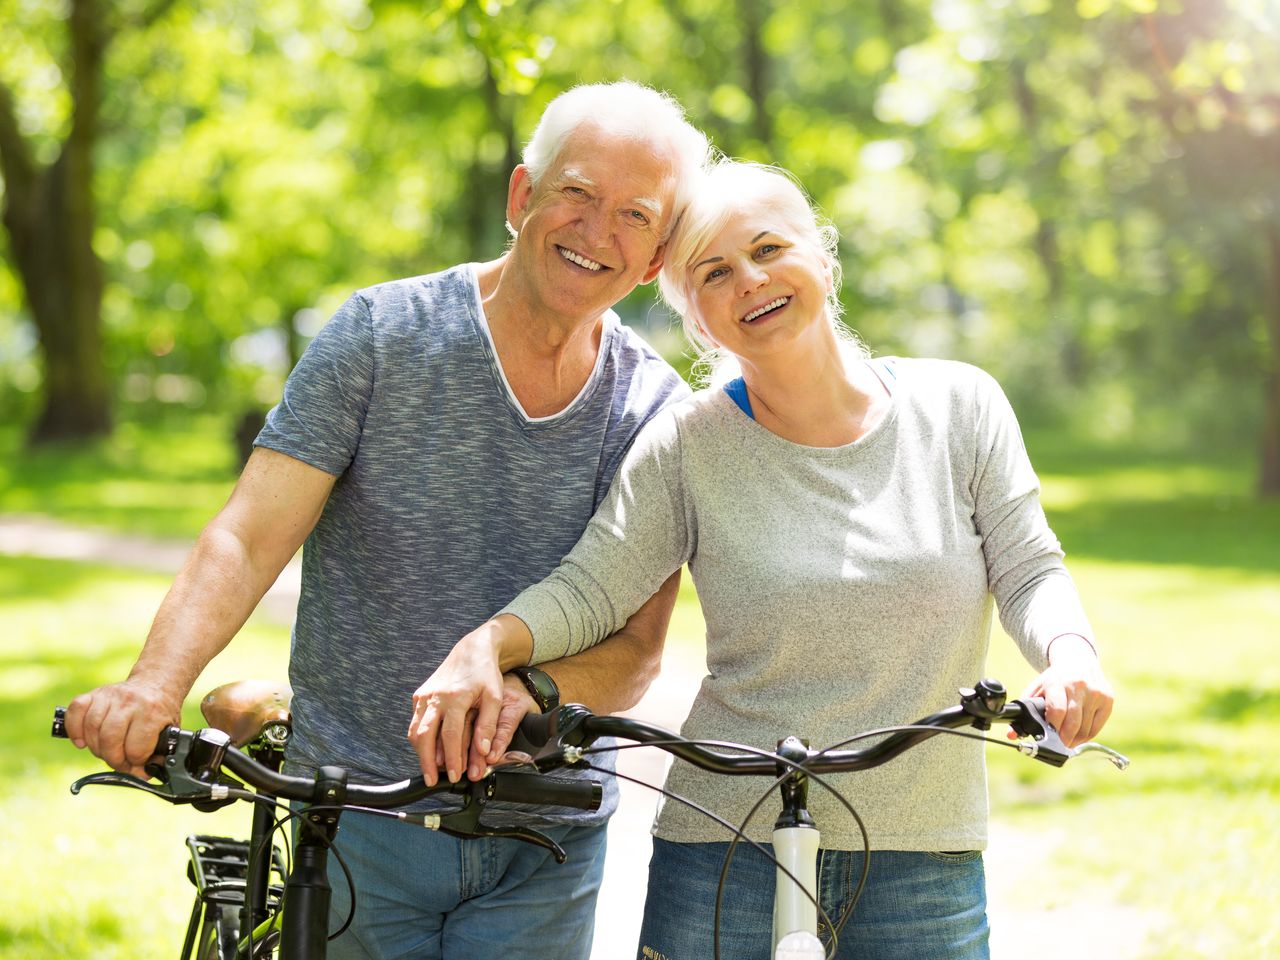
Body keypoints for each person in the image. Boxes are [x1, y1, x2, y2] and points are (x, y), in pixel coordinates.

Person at [63, 81, 712, 959]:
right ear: (522, 197)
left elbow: (637, 653)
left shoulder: (653, 411)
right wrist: (153, 683)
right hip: (358, 817)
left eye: (636, 216)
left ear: (655, 259)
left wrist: (520, 700)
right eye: (577, 193)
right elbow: (249, 535)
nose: (598, 233)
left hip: (546, 840)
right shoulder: (380, 335)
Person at [415, 160, 1115, 959]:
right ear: (700, 319)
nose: (749, 280)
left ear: (822, 257)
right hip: (723, 847)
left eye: (769, 249)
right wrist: (489, 647)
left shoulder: (960, 406)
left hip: (926, 856)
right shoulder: (686, 444)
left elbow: (1029, 567)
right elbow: (591, 587)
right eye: (714, 272)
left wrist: (1070, 656)